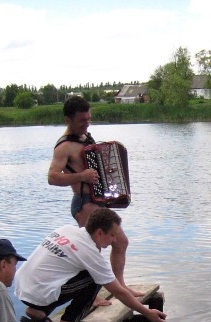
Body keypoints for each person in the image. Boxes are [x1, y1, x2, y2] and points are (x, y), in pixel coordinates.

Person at [47, 96, 142, 303]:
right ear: (68, 120)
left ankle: (120, 285)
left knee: (121, 242)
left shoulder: (86, 138)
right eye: (82, 121)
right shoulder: (63, 147)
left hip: (98, 202)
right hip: (84, 203)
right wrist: (81, 176)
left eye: (89, 119)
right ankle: (92, 296)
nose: (86, 124)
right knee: (91, 251)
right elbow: (52, 178)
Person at [15, 208, 166, 322]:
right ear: (100, 233)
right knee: (96, 278)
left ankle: (37, 311)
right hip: (39, 291)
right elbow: (118, 292)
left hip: (23, 286)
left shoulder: (66, 229)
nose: (114, 240)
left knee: (80, 274)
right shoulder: (88, 251)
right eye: (112, 235)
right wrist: (147, 313)